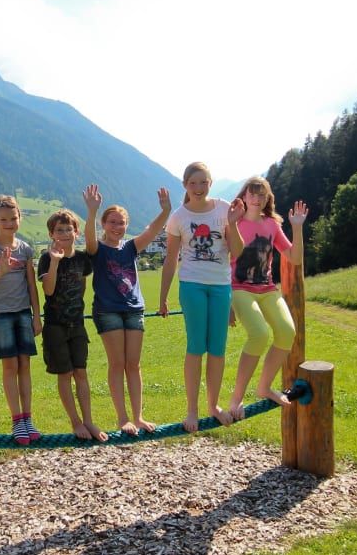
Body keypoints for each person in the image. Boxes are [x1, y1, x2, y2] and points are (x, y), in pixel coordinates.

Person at [158, 162, 245, 432]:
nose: (198, 188)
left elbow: (237, 252)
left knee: (217, 349)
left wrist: (233, 223)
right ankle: (192, 411)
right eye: (193, 183)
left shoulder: (224, 209)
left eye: (203, 182)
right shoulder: (178, 217)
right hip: (192, 285)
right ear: (185, 185)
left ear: (210, 183)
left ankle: (213, 406)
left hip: (220, 287)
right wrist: (163, 297)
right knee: (196, 347)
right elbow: (170, 260)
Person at [84, 183, 171, 435]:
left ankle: (138, 417)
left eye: (121, 223)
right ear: (103, 224)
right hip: (108, 311)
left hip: (134, 309)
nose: (117, 226)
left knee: (133, 365)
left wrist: (165, 211)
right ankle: (123, 419)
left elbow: (152, 230)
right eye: (112, 222)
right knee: (117, 363)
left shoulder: (131, 247)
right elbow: (89, 238)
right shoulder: (97, 249)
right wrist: (91, 211)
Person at [226, 177, 309, 418]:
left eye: (261, 195)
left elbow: (294, 258)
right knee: (259, 334)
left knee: (287, 331)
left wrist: (297, 227)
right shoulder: (233, 223)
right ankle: (236, 399)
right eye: (252, 194)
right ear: (244, 196)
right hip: (239, 288)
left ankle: (264, 388)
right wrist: (228, 302)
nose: (256, 198)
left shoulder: (272, 224)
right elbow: (221, 261)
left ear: (267, 199)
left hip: (267, 289)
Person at [0, 195, 42, 445]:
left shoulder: (25, 249)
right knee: (10, 367)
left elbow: (32, 285)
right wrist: (1, 270)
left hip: (23, 312)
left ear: (20, 219)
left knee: (25, 365)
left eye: (13, 218)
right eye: (3, 219)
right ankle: (16, 420)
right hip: (0, 314)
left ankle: (28, 419)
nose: (9, 223)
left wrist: (37, 316)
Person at [38, 209, 107, 442]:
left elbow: (83, 286)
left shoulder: (82, 259)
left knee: (81, 372)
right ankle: (75, 422)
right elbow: (48, 290)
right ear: (51, 234)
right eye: (59, 230)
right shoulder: (46, 258)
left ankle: (88, 420)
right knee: (65, 374)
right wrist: (55, 262)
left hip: (77, 324)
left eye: (69, 229)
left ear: (76, 232)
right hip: (55, 325)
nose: (65, 233)